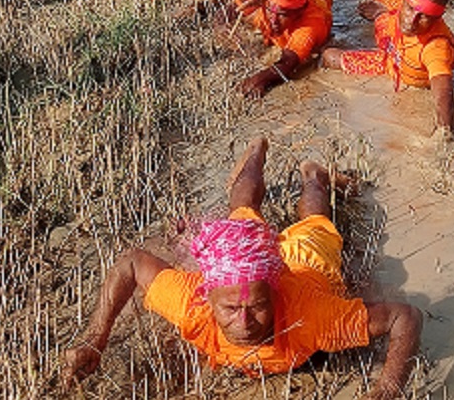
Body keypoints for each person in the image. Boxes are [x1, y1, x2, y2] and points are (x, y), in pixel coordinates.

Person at [62, 135, 423, 396]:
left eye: (259, 306)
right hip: (249, 264)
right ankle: (255, 151)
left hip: (305, 265)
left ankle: (314, 174)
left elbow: (404, 317)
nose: (245, 322)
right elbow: (130, 263)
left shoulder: (312, 316)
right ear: (208, 294)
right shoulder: (193, 306)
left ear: (276, 290)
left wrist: (387, 390)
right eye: (231, 308)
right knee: (242, 212)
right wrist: (96, 339)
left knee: (315, 218)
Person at [238, 0, 454, 135]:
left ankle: (382, 15)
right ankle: (382, 15)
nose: (413, 20)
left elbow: (444, 94)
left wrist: (443, 135)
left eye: (424, 17)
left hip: (397, 66)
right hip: (391, 47)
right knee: (331, 55)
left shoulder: (436, 47)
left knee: (335, 53)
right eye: (410, 9)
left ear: (438, 17)